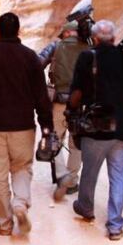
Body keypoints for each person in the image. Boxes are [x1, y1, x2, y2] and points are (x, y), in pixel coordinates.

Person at [0, 12, 53, 236]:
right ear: (18, 30)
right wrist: (46, 124)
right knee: (22, 168)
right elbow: (41, 96)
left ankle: (4, 223)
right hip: (23, 125)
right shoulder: (30, 57)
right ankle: (20, 203)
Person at [69, 19, 123, 241]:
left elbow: (77, 92)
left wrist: (71, 111)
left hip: (96, 127)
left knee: (90, 171)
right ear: (114, 36)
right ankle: (115, 225)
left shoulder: (87, 57)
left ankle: (86, 208)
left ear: (95, 38)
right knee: (119, 176)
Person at [40, 20, 90, 200]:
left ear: (67, 33)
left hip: (60, 102)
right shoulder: (88, 48)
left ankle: (62, 175)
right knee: (76, 143)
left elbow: (37, 63)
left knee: (54, 139)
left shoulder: (56, 46)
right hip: (81, 103)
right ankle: (72, 180)